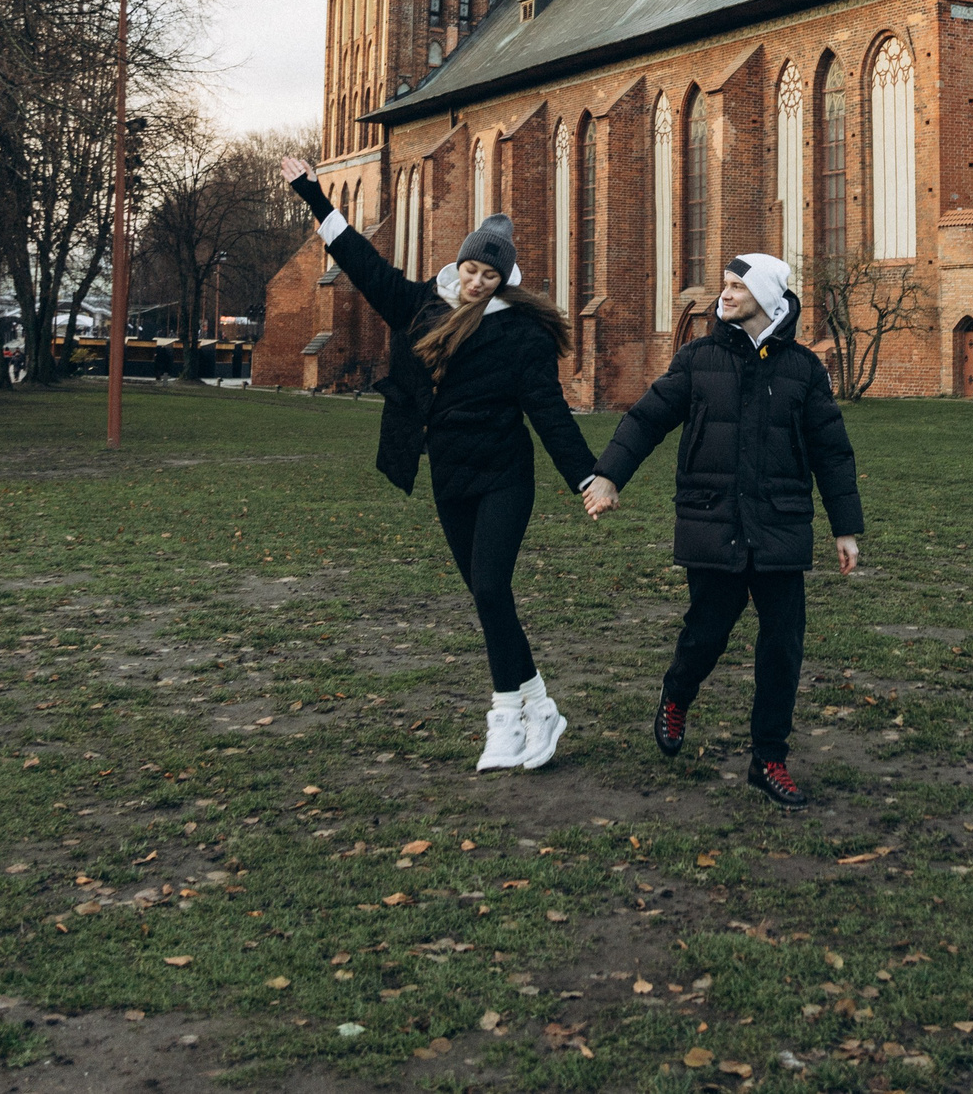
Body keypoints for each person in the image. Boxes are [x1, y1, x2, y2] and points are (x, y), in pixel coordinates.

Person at [282, 156, 596, 772]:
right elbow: (360, 261)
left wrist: (588, 477)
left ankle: (506, 719)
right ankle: (537, 707)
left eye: (488, 274)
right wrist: (312, 195)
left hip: (505, 476)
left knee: (489, 585)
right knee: (487, 598)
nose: (476, 282)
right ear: (460, 265)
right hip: (450, 477)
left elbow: (549, 411)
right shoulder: (424, 305)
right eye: (471, 269)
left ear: (504, 279)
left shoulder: (520, 333)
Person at [583, 253, 864, 809]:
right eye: (726, 285)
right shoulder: (698, 358)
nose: (726, 294)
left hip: (780, 526)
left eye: (738, 285)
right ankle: (676, 693)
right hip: (713, 522)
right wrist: (611, 476)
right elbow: (646, 418)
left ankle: (769, 758)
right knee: (706, 634)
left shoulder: (804, 371)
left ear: (766, 296)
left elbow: (833, 453)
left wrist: (845, 529)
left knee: (783, 646)